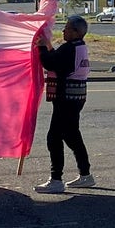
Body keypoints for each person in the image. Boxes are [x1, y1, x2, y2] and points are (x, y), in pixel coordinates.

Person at [34, 15, 95, 194]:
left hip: (66, 99)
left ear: (76, 32)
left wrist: (41, 48)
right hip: (75, 98)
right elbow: (58, 59)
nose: (63, 30)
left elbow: (52, 63)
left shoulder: (70, 48)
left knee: (54, 137)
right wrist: (48, 47)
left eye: (67, 28)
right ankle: (85, 174)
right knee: (71, 135)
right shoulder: (79, 47)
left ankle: (56, 179)